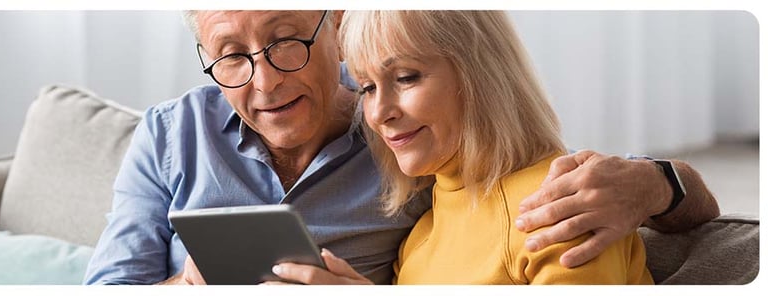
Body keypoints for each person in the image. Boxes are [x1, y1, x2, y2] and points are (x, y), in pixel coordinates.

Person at [84, 10, 720, 285]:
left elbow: (554, 176)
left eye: (286, 41)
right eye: (230, 56)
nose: (267, 79)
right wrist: (193, 285)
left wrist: (659, 181)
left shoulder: (419, 150)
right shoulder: (170, 132)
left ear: (331, 25)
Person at [272, 10, 654, 284]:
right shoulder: (421, 232)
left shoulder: (560, 207)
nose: (379, 113)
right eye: (368, 87)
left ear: (480, 74)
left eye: (405, 77)